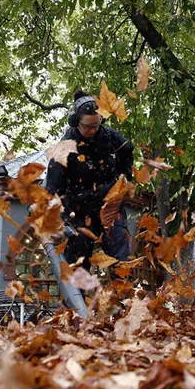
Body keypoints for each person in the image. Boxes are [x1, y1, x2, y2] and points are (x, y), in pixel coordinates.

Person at [45, 89, 134, 272]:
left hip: (109, 203)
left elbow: (128, 151)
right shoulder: (64, 148)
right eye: (87, 126)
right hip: (78, 208)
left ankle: (122, 297)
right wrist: (61, 218)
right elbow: (53, 189)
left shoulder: (111, 137)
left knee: (120, 258)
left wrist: (123, 179)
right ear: (76, 122)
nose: (92, 130)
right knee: (77, 263)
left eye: (96, 125)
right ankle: (77, 300)